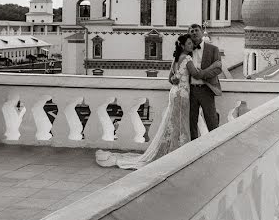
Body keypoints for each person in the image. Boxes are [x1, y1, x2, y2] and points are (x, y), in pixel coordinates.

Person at [96, 34, 223, 169]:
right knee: (181, 122)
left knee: (174, 121)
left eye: (192, 43)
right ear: (182, 45)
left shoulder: (175, 59)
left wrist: (176, 78)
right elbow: (197, 75)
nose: (192, 46)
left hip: (174, 92)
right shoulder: (187, 58)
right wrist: (213, 68)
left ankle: (175, 148)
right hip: (183, 94)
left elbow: (171, 78)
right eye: (189, 43)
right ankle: (181, 151)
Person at [171, 23, 225, 140]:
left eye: (196, 30)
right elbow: (175, 72)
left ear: (201, 32)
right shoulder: (186, 51)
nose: (194, 32)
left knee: (211, 121)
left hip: (207, 89)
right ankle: (193, 148)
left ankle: (215, 145)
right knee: (191, 122)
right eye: (191, 31)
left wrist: (203, 74)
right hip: (190, 91)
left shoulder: (213, 49)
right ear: (188, 34)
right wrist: (174, 79)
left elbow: (218, 68)